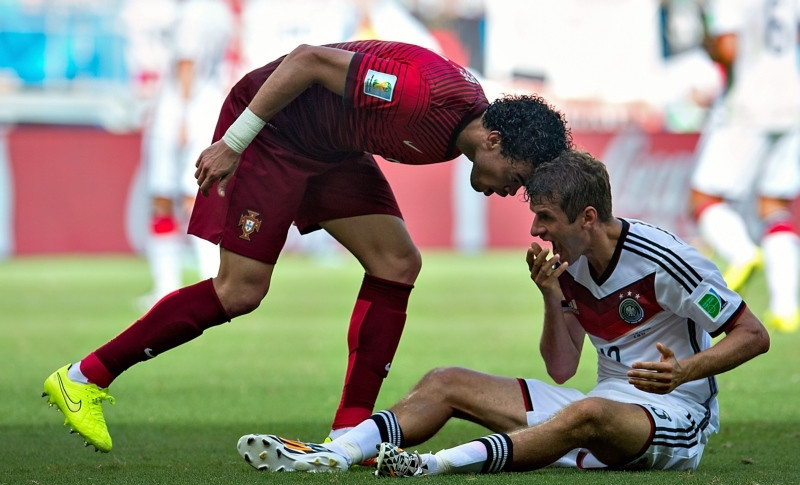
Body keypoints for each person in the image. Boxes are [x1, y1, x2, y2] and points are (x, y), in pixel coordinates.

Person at [42, 40, 573, 452]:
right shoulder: (421, 95)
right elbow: (308, 61)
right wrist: (234, 141)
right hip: (273, 132)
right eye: (517, 178)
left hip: (330, 148)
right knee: (240, 290)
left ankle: (350, 431)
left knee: (397, 261)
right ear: (495, 142)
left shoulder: (460, 133)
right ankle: (82, 378)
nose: (511, 191)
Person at [236, 150, 769, 476]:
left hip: (673, 418)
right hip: (600, 405)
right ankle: (336, 454)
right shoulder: (572, 262)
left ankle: (431, 466)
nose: (536, 231)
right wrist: (551, 294)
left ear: (587, 217)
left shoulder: (667, 262)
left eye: (545, 218)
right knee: (446, 381)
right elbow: (562, 368)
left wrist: (685, 371)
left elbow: (752, 334)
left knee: (583, 416)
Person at [689, 0, 800, 333]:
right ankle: (786, 308)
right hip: (792, 104)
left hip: (749, 107)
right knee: (775, 206)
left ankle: (741, 253)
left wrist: (707, 41)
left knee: (704, 199)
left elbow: (729, 49)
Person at [136, 0, 233, 308]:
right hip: (206, 104)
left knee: (173, 198)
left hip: (181, 107)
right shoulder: (220, 12)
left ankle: (178, 284)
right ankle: (207, 280)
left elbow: (186, 63)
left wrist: (182, 115)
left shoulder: (192, 12)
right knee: (189, 195)